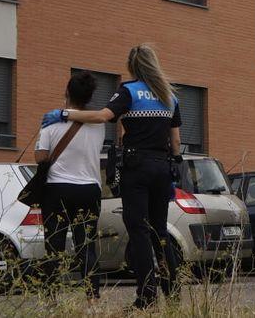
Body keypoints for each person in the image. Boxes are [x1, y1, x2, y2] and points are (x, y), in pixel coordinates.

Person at [42, 45, 181, 310]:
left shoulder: (128, 91)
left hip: (136, 167)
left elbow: (102, 116)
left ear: (132, 66)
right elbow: (175, 141)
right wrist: (173, 166)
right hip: (162, 168)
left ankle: (146, 297)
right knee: (159, 232)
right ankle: (172, 293)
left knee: (139, 231)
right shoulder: (169, 96)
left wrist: (63, 114)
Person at [35, 71, 105, 302]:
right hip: (89, 189)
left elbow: (40, 157)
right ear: (89, 96)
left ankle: (51, 299)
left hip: (57, 190)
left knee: (54, 248)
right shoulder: (98, 125)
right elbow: (96, 119)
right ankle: (92, 299)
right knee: (86, 246)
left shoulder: (50, 124)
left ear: (66, 93)